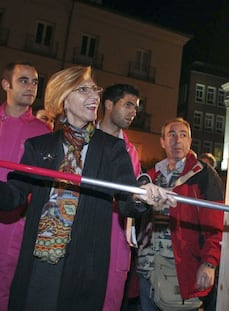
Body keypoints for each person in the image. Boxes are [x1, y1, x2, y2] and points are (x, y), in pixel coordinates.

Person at [0, 65, 175, 311]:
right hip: (38, 265)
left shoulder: (112, 149)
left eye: (95, 90)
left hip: (85, 267)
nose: (95, 97)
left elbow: (127, 200)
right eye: (83, 90)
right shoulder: (39, 146)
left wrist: (142, 197)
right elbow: (14, 196)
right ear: (63, 99)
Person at [136, 117, 225, 311]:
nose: (178, 140)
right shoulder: (151, 176)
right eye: (172, 135)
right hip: (147, 270)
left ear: (190, 142)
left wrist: (209, 263)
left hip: (181, 270)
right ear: (162, 141)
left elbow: (216, 225)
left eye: (183, 135)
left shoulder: (203, 175)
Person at [0, 61, 51, 310]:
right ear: (6, 84)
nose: (31, 86)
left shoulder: (43, 131)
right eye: (24, 80)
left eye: (35, 82)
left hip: (15, 226)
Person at [98, 83, 141, 310]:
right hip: (83, 233)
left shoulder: (131, 151)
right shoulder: (84, 141)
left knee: (111, 300)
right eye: (128, 105)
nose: (133, 111)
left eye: (135, 107)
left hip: (117, 238)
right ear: (108, 104)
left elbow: (132, 198)